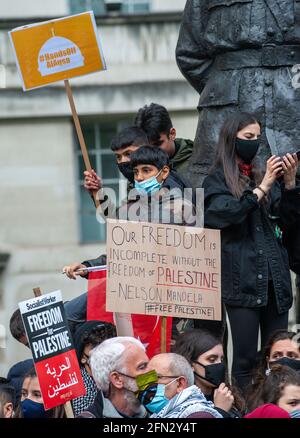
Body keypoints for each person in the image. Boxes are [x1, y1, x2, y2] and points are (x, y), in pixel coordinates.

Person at [202, 112, 300, 394]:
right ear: (231, 140)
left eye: (257, 137)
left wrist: (290, 185)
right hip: (241, 282)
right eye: (248, 137)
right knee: (245, 358)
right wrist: (263, 187)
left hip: (275, 282)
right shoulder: (217, 180)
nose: (254, 143)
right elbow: (225, 214)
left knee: (279, 356)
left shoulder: (260, 174)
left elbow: (288, 222)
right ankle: (245, 409)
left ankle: (280, 404)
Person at [176, 0, 300, 188]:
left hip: (293, 100)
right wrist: (223, 87)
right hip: (226, 105)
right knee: (219, 190)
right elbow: (189, 54)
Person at [174, 329, 244, 417]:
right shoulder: (183, 403)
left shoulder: (230, 397)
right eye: (212, 360)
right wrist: (220, 411)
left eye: (221, 359)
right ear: (191, 364)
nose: (219, 364)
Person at [78, 337, 151, 418]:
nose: (151, 372)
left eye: (149, 365)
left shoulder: (154, 408)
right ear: (117, 379)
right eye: (142, 367)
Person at [142, 352, 222, 418]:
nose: (149, 384)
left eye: (157, 378)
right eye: (148, 378)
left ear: (180, 384)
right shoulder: (158, 415)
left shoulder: (198, 415)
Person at [246, 329, 300, 411]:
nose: (284, 359)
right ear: (268, 362)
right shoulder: (253, 398)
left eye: (291, 355)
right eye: (277, 356)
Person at [72, 320, 117, 416]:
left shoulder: (120, 377)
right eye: (97, 354)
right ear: (83, 358)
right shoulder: (82, 395)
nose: (105, 359)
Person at [134, 103, 193, 175]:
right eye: (147, 147)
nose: (152, 153)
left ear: (172, 134)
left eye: (157, 144)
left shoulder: (197, 162)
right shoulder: (138, 167)